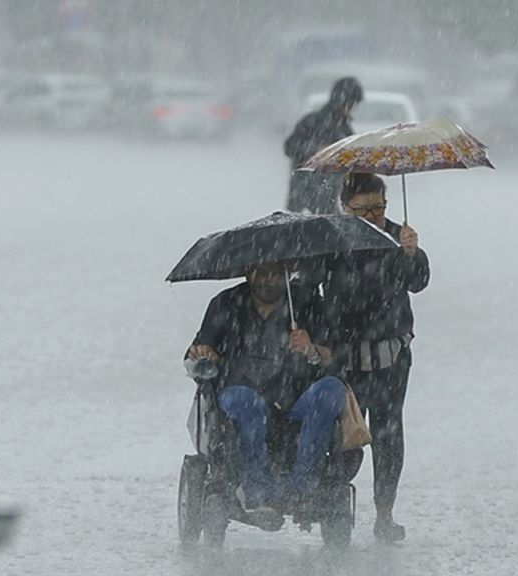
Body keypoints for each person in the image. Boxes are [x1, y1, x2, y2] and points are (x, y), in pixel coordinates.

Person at [185, 261, 345, 522]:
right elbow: (197, 352)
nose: (268, 280)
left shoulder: (307, 302)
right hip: (240, 393)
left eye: (276, 274)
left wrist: (312, 350)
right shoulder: (225, 303)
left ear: (288, 274)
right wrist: (204, 354)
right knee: (245, 402)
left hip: (295, 399)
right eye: (261, 273)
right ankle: (260, 492)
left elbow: (335, 356)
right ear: (248, 272)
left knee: (332, 389)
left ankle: (300, 489)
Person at [322, 173, 430, 543]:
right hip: (344, 360)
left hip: (390, 358)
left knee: (388, 434)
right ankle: (335, 507)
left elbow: (418, 281)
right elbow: (308, 285)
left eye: (378, 208)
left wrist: (412, 254)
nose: (371, 216)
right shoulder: (330, 240)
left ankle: (385, 513)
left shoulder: (399, 239)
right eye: (362, 209)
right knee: (344, 434)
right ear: (344, 207)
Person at [283, 77, 363, 214]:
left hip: (328, 198)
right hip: (302, 196)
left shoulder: (345, 131)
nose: (351, 109)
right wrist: (315, 149)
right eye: (350, 104)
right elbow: (289, 147)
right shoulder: (311, 122)